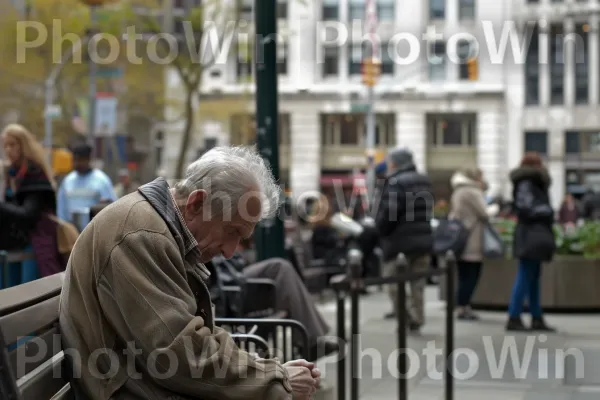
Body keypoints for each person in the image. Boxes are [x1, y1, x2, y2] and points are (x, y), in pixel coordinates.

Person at [59, 146, 321, 399]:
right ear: (196, 203)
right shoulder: (142, 236)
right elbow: (179, 354)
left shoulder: (158, 229)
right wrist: (276, 381)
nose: (231, 251)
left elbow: (183, 347)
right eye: (232, 231)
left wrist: (271, 375)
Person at [220, 251, 339, 361]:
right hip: (226, 278)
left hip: (229, 272)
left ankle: (309, 340)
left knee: (282, 269)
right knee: (281, 267)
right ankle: (310, 342)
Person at [375, 148, 433, 331]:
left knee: (393, 282)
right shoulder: (424, 180)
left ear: (395, 163)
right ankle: (418, 316)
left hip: (399, 242)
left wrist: (379, 229)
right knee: (418, 283)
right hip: (423, 240)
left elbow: (389, 214)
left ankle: (408, 317)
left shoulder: (395, 182)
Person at [0, 124, 63, 287]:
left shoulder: (35, 174)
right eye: (5, 145)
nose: (8, 150)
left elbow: (29, 214)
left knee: (28, 295)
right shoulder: (10, 174)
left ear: (23, 145)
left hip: (35, 245)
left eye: (12, 144)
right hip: (11, 244)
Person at [506, 152, 556, 332]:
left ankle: (535, 316)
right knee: (526, 274)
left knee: (533, 276)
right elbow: (525, 207)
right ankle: (514, 316)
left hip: (531, 232)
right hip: (531, 232)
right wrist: (547, 211)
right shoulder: (527, 182)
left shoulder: (531, 182)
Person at [449, 168, 490, 320]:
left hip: (461, 237)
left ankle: (461, 305)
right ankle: (463, 306)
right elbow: (484, 212)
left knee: (463, 274)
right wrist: (495, 208)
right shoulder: (472, 191)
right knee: (472, 274)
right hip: (473, 237)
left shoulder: (458, 191)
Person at [56, 143, 116, 230]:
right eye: (75, 160)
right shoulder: (68, 181)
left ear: (88, 159)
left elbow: (112, 207)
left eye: (81, 160)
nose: (77, 163)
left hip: (94, 232)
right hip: (72, 233)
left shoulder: (101, 180)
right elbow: (61, 209)